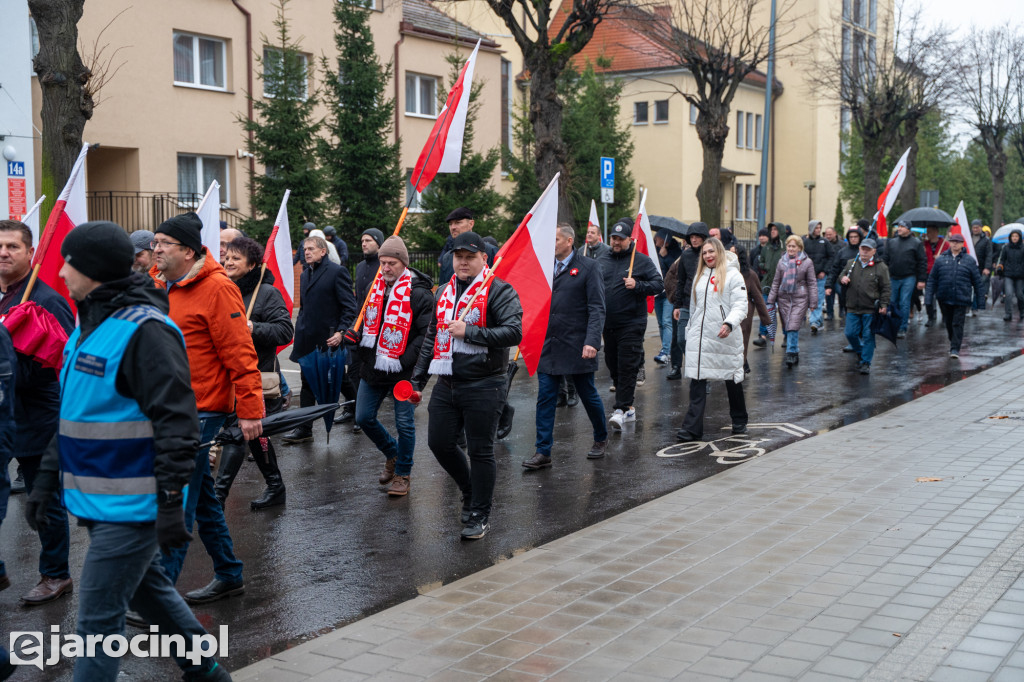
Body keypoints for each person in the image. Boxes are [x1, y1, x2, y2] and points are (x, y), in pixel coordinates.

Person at [24, 221, 231, 681]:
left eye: (68, 263)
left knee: (96, 627)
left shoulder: (147, 332)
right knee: (149, 593)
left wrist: (171, 506)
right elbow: (77, 416)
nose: (60, 272)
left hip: (136, 508)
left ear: (91, 270)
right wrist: (44, 482)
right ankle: (210, 673)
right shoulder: (87, 329)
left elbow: (180, 426)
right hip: (101, 504)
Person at [149, 212, 262, 605]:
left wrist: (250, 409)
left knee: (178, 500)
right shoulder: (161, 285)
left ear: (187, 250)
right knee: (201, 499)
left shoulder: (217, 288)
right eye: (155, 243)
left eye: (163, 243)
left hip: (201, 410)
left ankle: (159, 597)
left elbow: (240, 352)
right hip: (168, 409)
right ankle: (230, 574)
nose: (155, 249)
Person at [411, 231, 522, 540]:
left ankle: (480, 513)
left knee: (480, 450)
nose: (462, 262)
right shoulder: (443, 291)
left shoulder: (500, 290)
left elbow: (514, 332)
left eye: (469, 257)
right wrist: (417, 381)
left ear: (483, 259)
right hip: (447, 382)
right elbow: (432, 337)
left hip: (485, 383)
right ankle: (470, 489)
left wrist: (470, 332)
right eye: (458, 256)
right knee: (439, 442)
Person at [0, 219, 74, 606]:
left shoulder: (46, 300)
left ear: (31, 252)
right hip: (2, 418)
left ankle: (56, 573)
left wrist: (8, 367)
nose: (4, 253)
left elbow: (55, 363)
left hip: (36, 417)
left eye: (13, 246)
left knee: (42, 500)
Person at [346, 236, 433, 496]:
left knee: (404, 424)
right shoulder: (375, 289)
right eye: (382, 262)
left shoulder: (418, 293)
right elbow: (362, 319)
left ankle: (403, 474)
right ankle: (393, 453)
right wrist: (353, 334)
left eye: (391, 263)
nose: (385, 268)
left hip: (403, 371)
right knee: (363, 417)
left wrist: (402, 360)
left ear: (403, 264)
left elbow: (425, 334)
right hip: (373, 367)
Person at [214, 237, 294, 509]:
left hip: (255, 378)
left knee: (238, 433)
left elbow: (285, 331)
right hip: (227, 379)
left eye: (235, 258)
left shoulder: (267, 293)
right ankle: (276, 486)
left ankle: (218, 496)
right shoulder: (224, 289)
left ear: (251, 264)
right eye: (226, 257)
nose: (228, 262)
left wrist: (251, 327)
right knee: (255, 435)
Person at [523, 224, 608, 470]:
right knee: (546, 397)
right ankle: (543, 451)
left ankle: (600, 437)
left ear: (570, 241)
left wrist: (592, 341)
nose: (552, 243)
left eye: (556, 239)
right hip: (548, 344)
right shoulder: (544, 268)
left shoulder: (588, 267)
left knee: (587, 394)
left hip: (577, 344)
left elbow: (596, 307)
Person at [282, 235, 357, 443]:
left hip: (329, 339)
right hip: (307, 339)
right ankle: (305, 429)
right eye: (304, 249)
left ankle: (359, 411)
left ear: (323, 251)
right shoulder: (305, 275)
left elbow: (349, 307)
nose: (306, 252)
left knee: (340, 379)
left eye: (311, 249)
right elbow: (305, 308)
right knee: (307, 382)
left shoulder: (336, 272)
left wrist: (341, 332)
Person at [675, 238, 748, 442]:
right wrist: (690, 329)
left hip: (724, 334)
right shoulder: (700, 276)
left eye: (711, 251)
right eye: (704, 253)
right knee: (697, 380)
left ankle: (739, 419)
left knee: (731, 378)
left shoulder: (733, 275)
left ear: (719, 252)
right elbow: (696, 306)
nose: (708, 256)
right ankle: (692, 428)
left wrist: (729, 323)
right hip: (700, 336)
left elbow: (741, 305)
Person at [600, 218, 664, 430]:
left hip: (632, 323)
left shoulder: (642, 260)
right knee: (612, 362)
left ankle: (622, 408)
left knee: (627, 364)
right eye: (614, 238)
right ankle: (627, 406)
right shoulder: (603, 259)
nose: (616, 242)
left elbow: (658, 285)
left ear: (630, 239)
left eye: (621, 239)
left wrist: (638, 285)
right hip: (608, 323)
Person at [827, 238, 890, 374]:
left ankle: (866, 362)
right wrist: (842, 278)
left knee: (868, 335)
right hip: (852, 306)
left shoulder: (881, 267)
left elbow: (886, 287)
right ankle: (861, 351)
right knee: (850, 333)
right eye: (863, 249)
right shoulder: (851, 263)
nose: (865, 252)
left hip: (870, 308)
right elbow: (841, 275)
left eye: (868, 250)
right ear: (859, 249)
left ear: (874, 251)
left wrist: (884, 304)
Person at [926, 233, 984, 358]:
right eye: (953, 241)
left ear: (962, 244)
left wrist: (980, 301)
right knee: (948, 322)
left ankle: (955, 348)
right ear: (949, 243)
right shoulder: (941, 259)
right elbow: (932, 280)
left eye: (957, 242)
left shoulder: (969, 261)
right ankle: (953, 341)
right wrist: (928, 298)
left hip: (962, 298)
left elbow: (977, 282)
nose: (955, 243)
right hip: (944, 297)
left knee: (957, 323)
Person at [767, 235, 817, 367]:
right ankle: (794, 350)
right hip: (784, 297)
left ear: (799, 248)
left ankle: (791, 353)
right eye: (789, 246)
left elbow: (812, 283)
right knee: (787, 324)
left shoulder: (807, 262)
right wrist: (771, 300)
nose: (790, 248)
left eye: (793, 246)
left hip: (800, 297)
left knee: (793, 324)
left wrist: (813, 302)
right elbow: (776, 281)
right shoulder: (781, 261)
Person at [669, 222, 708, 379]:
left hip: (705, 303)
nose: (694, 240)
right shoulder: (685, 255)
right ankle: (695, 366)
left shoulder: (709, 254)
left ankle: (702, 374)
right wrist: (677, 305)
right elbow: (681, 281)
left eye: (697, 237)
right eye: (691, 237)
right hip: (686, 302)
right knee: (681, 339)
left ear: (704, 238)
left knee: (702, 341)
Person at [883, 219, 927, 338]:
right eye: (899, 226)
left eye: (902, 227)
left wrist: (922, 279)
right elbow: (885, 259)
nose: (899, 229)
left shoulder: (916, 243)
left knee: (904, 302)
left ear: (908, 229)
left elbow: (922, 261)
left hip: (909, 277)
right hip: (893, 277)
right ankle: (893, 325)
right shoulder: (891, 242)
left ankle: (902, 328)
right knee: (893, 302)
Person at [731, 243, 770, 374]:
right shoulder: (724, 272)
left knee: (742, 337)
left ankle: (740, 365)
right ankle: (741, 362)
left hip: (745, 309)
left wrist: (766, 319)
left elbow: (758, 297)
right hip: (728, 308)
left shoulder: (750, 274)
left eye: (734, 253)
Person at [438, 208, 497, 284]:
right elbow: (443, 289)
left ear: (471, 224)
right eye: (450, 224)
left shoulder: (490, 251)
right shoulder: (447, 257)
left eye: (458, 222)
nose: (453, 227)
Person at [653, 228, 681, 364]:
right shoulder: (654, 251)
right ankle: (667, 349)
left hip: (669, 293)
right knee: (660, 323)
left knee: (666, 321)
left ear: (665, 240)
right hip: (657, 292)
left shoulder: (675, 253)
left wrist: (665, 257)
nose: (655, 239)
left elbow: (676, 270)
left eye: (658, 237)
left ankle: (665, 351)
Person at [826, 226, 864, 325]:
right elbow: (834, 269)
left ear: (860, 237)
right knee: (850, 314)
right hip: (846, 288)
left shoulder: (865, 251)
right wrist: (829, 285)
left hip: (864, 288)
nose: (853, 239)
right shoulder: (842, 252)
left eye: (856, 236)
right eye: (851, 237)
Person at [753, 222, 783, 346]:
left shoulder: (785, 247)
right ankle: (763, 335)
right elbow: (761, 262)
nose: (772, 232)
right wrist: (765, 266)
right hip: (767, 284)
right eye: (771, 229)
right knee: (765, 309)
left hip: (783, 285)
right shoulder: (767, 248)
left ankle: (787, 335)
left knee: (784, 311)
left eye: (775, 229)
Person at [802, 221, 833, 333]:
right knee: (810, 299)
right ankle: (818, 322)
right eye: (816, 228)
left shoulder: (824, 242)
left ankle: (814, 321)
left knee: (818, 299)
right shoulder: (805, 242)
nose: (818, 230)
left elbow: (831, 257)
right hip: (808, 276)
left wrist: (824, 271)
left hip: (820, 276)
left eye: (819, 228)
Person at [922, 226, 949, 327]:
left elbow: (950, 257)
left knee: (941, 296)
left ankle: (945, 316)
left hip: (941, 273)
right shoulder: (924, 245)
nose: (929, 234)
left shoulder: (945, 244)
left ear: (936, 232)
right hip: (928, 273)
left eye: (931, 232)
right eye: (928, 232)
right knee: (928, 296)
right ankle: (931, 316)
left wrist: (941, 258)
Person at [996, 230, 1024, 321]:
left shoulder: (1023, 248)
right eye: (1013, 236)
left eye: (1016, 236)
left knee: (1020, 295)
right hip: (1008, 274)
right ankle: (1008, 313)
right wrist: (1000, 267)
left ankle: (1022, 311)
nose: (1014, 238)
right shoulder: (1006, 248)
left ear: (1020, 237)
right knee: (1008, 294)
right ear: (1010, 238)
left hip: (1020, 275)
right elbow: (1002, 259)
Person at [970, 219, 993, 313]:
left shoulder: (986, 240)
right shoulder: (967, 237)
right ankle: (966, 305)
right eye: (974, 227)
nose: (975, 229)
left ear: (981, 228)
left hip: (980, 267)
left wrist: (987, 267)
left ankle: (974, 307)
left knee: (977, 288)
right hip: (968, 266)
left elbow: (989, 254)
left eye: (977, 227)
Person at [822, 227, 840, 319]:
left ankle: (842, 312)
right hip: (828, 273)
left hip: (839, 274)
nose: (828, 236)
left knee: (841, 293)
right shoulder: (823, 244)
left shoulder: (842, 244)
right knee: (828, 296)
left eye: (830, 234)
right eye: (826, 234)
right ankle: (830, 314)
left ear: (835, 233)